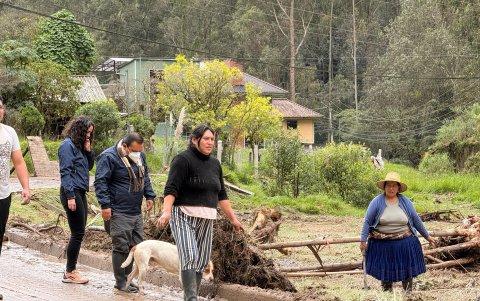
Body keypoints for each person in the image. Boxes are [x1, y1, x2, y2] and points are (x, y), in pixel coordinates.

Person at [157, 124, 243, 301]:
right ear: (194, 140)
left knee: (202, 259)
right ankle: (191, 298)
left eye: (212, 139)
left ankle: (192, 295)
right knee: (190, 255)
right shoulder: (182, 160)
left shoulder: (215, 164)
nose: (210, 142)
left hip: (207, 218)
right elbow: (171, 188)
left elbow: (222, 195)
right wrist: (166, 212)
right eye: (206, 139)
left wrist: (233, 219)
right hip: (183, 215)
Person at [94, 132, 156, 293]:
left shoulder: (139, 157)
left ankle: (129, 279)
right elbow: (100, 182)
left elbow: (145, 177)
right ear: (125, 146)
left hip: (135, 210)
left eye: (140, 150)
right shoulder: (109, 157)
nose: (138, 154)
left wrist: (149, 194)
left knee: (135, 246)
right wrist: (105, 205)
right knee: (121, 247)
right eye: (134, 150)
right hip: (118, 210)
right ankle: (120, 281)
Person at [360, 172, 436, 292]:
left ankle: (408, 294)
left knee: (406, 272)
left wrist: (427, 236)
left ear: (398, 188)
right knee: (386, 271)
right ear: (384, 187)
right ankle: (387, 293)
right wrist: (363, 240)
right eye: (388, 185)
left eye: (394, 185)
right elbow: (367, 221)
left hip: (404, 243)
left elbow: (416, 219)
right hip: (382, 244)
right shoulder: (377, 202)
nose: (391, 188)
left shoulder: (405, 202)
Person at [0, 95, 31, 300]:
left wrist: (25, 187)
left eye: (0, 107)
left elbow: (19, 162)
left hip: (3, 195)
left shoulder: (9, 132)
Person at [58, 116, 95, 284]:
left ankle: (71, 269)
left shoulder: (79, 147)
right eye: (86, 132)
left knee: (79, 232)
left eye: (90, 133)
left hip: (80, 191)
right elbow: (65, 172)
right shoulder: (67, 146)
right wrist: (71, 196)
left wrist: (88, 151)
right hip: (71, 192)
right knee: (78, 233)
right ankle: (70, 271)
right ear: (78, 130)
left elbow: (88, 167)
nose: (88, 136)